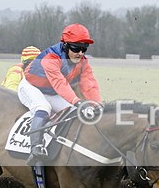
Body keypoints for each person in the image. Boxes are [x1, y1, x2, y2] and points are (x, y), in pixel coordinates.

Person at [19, 23, 101, 165]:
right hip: (31, 87)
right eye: (76, 48)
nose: (80, 53)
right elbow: (60, 84)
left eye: (84, 49)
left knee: (73, 111)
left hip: (52, 91)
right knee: (43, 107)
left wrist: (97, 105)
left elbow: (89, 84)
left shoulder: (83, 62)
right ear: (65, 45)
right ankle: (35, 148)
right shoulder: (50, 58)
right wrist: (77, 101)